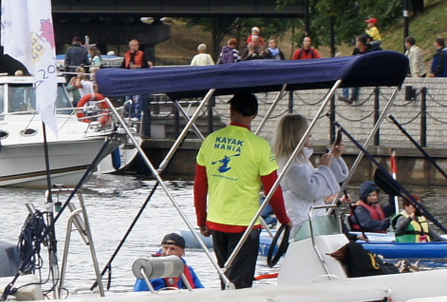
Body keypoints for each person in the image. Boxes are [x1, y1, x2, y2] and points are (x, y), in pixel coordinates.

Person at [194, 91, 289, 289]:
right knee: (240, 282)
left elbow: (200, 186)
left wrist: (201, 219)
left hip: (217, 221)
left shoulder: (210, 140)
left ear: (231, 110)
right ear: (254, 116)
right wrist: (283, 220)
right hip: (245, 224)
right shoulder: (260, 146)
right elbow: (273, 189)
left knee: (225, 276)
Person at [273, 113, 348, 233]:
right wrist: (324, 167)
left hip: (312, 223)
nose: (310, 135)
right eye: (306, 131)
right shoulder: (290, 163)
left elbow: (329, 179)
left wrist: (333, 158)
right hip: (300, 225)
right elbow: (310, 189)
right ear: (297, 134)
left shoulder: (300, 160)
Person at [136, 232, 203, 291]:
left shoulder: (188, 270)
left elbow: (201, 291)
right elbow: (139, 294)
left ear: (182, 252)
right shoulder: (149, 269)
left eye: (173, 249)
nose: (167, 253)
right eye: (165, 248)